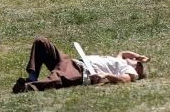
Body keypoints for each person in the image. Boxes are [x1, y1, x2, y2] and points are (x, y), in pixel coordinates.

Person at [13, 37, 147, 93]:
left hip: (81, 72)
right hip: (71, 62)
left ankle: (27, 87)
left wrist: (106, 75)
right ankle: (32, 77)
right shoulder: (120, 60)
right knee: (41, 42)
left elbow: (126, 79)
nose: (134, 58)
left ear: (137, 68)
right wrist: (137, 55)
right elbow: (123, 53)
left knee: (57, 79)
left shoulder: (129, 69)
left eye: (136, 61)